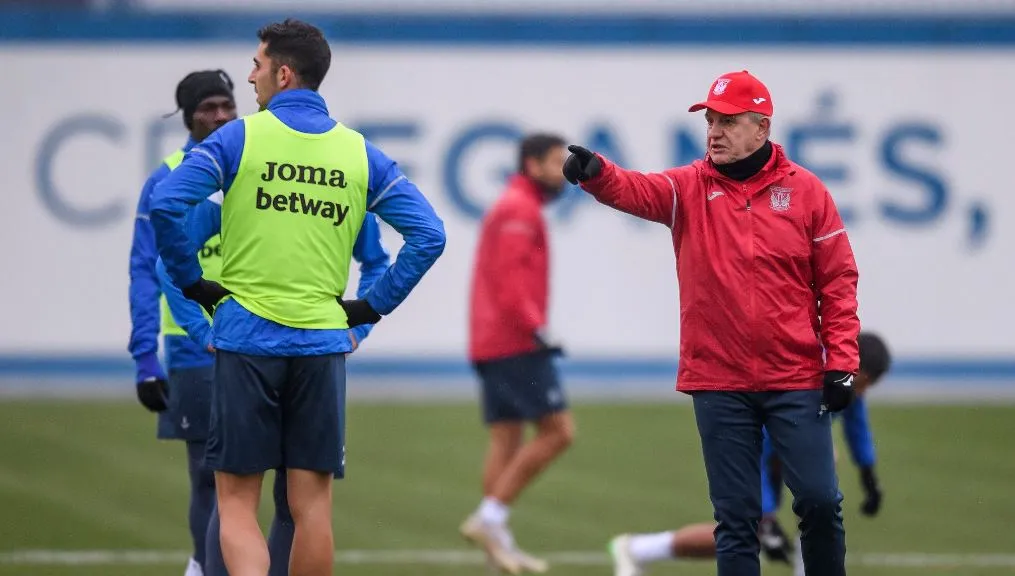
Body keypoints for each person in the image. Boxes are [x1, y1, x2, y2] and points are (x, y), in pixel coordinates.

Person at [150, 18, 446, 576]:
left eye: (257, 66)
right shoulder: (360, 153)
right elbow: (430, 234)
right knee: (311, 509)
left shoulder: (239, 138)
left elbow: (167, 203)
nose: (250, 77)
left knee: (237, 504)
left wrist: (191, 280)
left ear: (283, 74)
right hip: (321, 345)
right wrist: (372, 305)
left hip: (246, 340)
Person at [563, 69, 860, 576]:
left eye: (728, 121)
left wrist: (842, 363)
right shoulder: (688, 188)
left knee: (818, 500)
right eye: (711, 121)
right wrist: (595, 172)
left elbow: (838, 281)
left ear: (761, 129)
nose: (714, 131)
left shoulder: (808, 193)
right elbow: (635, 189)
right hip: (719, 380)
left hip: (796, 377)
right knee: (737, 519)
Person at [155, 194, 391, 576]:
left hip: (253, 352)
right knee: (291, 502)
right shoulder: (343, 169)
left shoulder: (242, 166)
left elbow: (170, 252)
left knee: (240, 498)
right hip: (306, 352)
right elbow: (418, 240)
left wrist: (359, 326)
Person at [608, 332, 893, 576]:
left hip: (785, 457)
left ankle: (639, 550)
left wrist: (869, 475)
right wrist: (766, 517)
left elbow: (857, 425)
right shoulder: (809, 376)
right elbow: (764, 443)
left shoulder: (844, 380)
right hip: (756, 449)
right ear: (864, 375)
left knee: (771, 524)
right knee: (746, 529)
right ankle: (638, 549)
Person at [126, 69, 237, 576]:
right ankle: (204, 564)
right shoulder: (166, 180)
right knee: (206, 478)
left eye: (226, 106)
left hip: (254, 339)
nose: (218, 116)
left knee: (253, 477)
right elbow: (143, 272)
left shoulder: (253, 169)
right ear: (187, 115)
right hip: (193, 346)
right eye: (207, 107)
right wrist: (146, 358)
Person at [459, 133, 573, 575]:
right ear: (531, 164)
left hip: (495, 341)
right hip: (514, 343)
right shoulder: (518, 210)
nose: (562, 171)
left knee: (506, 440)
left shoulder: (514, 206)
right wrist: (537, 328)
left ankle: (494, 551)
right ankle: (490, 519)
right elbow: (510, 283)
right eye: (555, 162)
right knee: (558, 431)